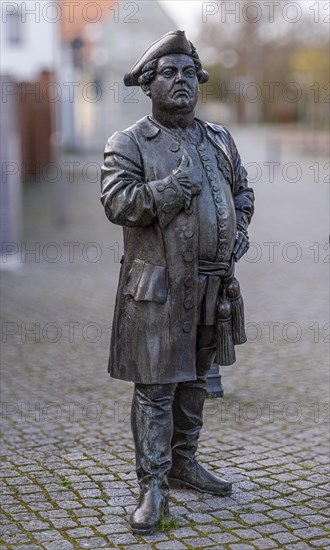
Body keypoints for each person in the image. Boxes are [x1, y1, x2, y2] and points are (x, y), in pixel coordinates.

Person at [100, 30, 255, 535]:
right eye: (170, 73)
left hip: (214, 286)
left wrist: (240, 231)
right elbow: (118, 203)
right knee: (157, 390)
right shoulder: (128, 142)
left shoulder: (218, 138)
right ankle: (154, 485)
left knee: (194, 384)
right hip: (158, 290)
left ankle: (185, 463)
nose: (182, 81)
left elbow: (243, 191)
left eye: (189, 73)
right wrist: (171, 189)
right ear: (149, 84)